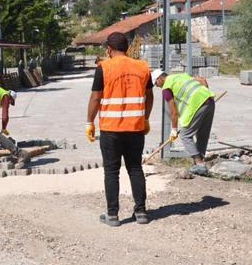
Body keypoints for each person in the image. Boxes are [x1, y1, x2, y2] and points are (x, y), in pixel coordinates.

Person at [86, 32, 154, 227]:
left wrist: (89, 122)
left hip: (111, 129)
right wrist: (146, 118)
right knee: (135, 168)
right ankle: (141, 212)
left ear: (109, 49)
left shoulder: (104, 68)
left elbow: (95, 98)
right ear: (126, 48)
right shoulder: (142, 67)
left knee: (111, 171)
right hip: (135, 128)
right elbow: (149, 97)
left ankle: (113, 215)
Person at [151, 69, 215, 176]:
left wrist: (174, 130)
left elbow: (173, 111)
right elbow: (202, 81)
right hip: (209, 100)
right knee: (202, 134)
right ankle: (200, 162)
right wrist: (205, 94)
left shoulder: (166, 88)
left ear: (161, 78)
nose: (157, 86)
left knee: (185, 135)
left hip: (197, 105)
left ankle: (199, 164)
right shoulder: (180, 76)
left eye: (156, 83)